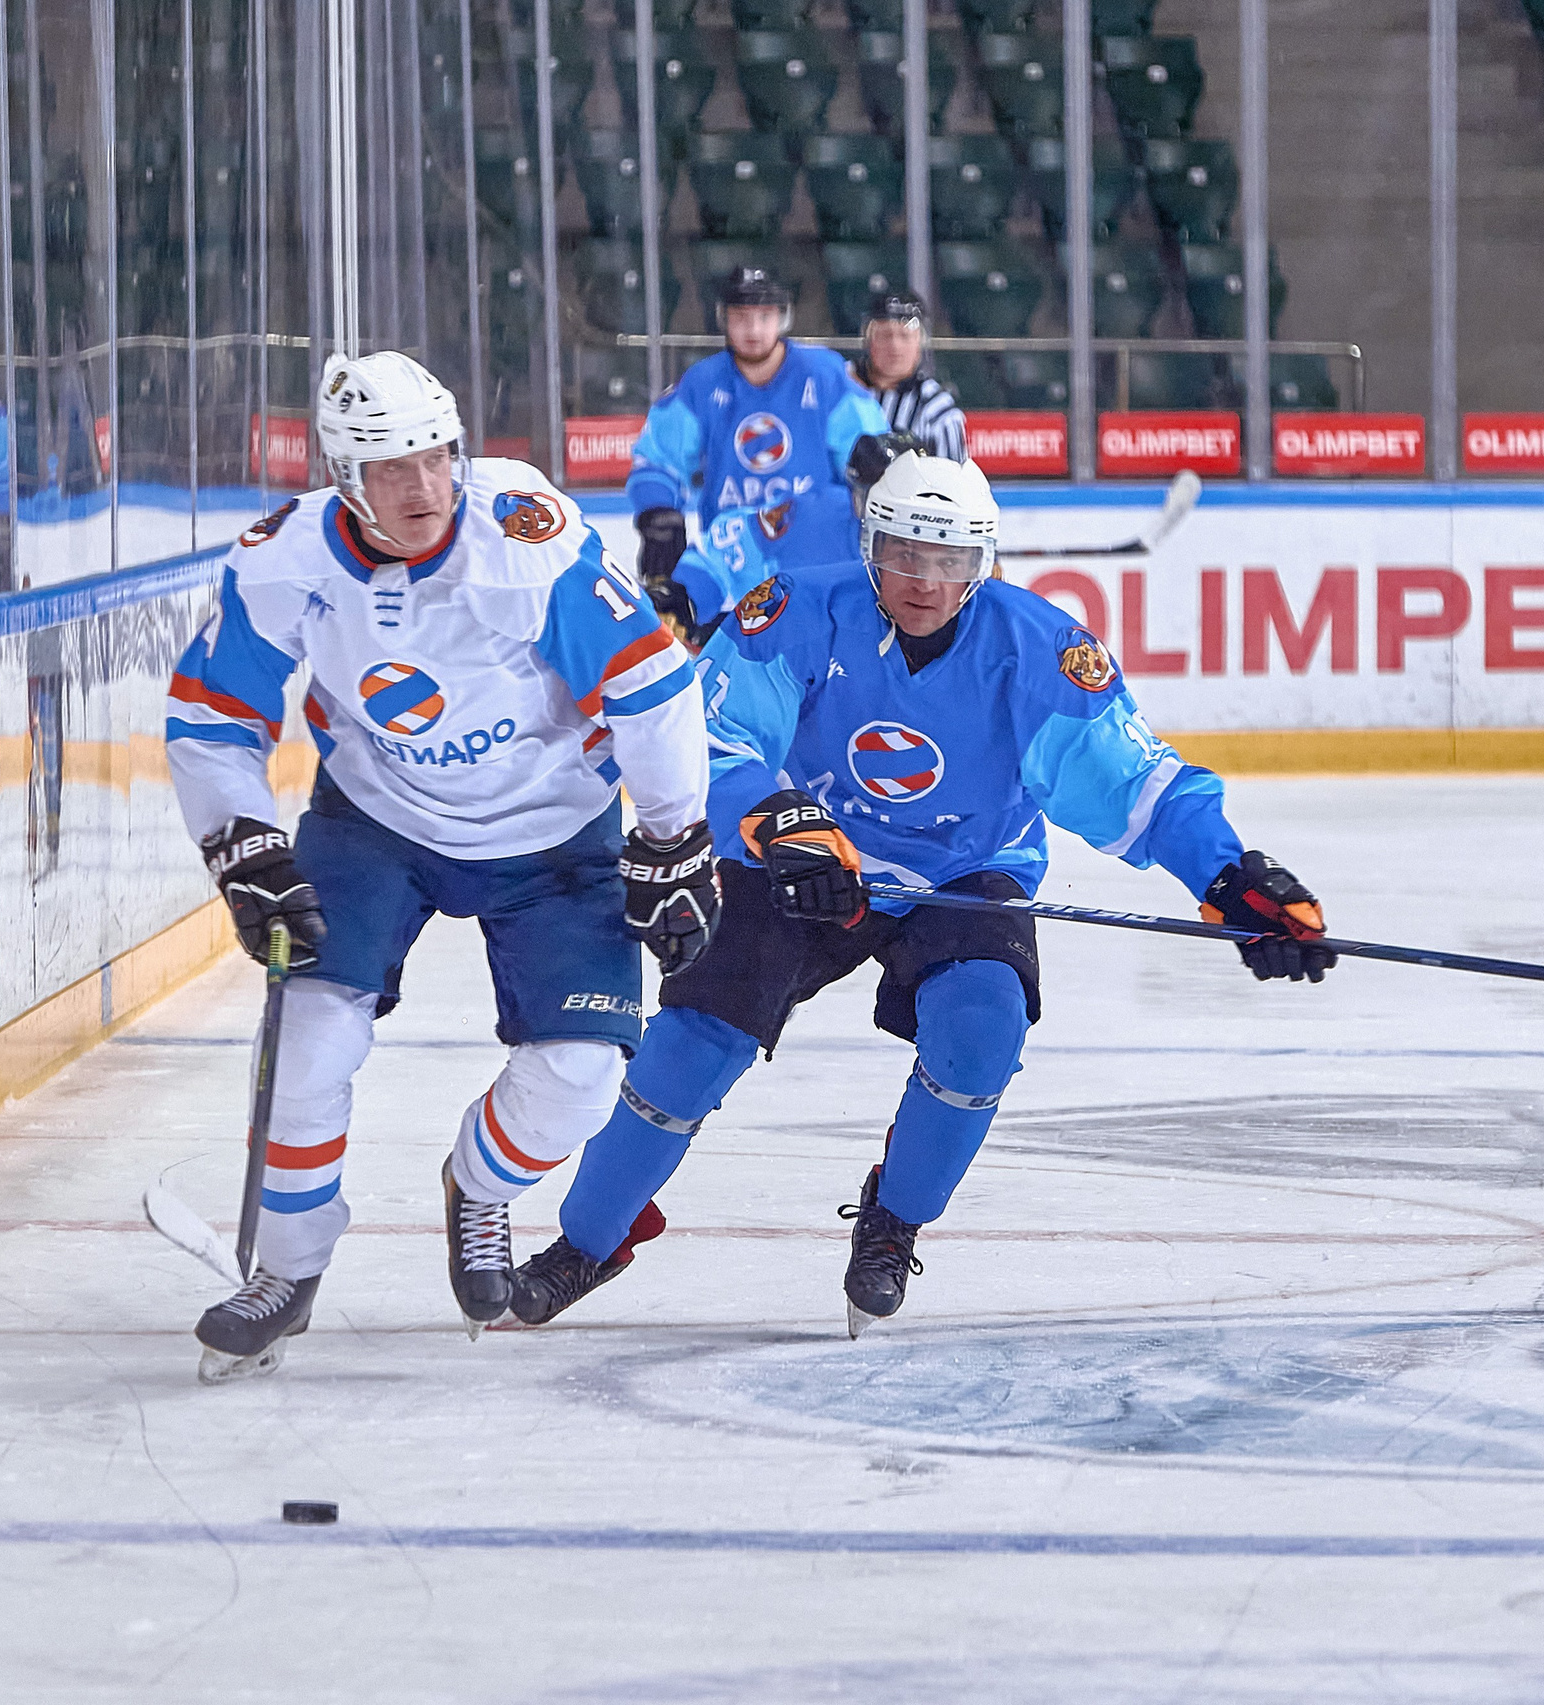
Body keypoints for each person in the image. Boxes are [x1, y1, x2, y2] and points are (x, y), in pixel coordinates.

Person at [509, 452, 1336, 1336]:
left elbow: (1144, 789)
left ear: (984, 563)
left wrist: (1231, 879)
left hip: (967, 874)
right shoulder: (794, 610)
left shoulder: (1041, 652)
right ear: (870, 546)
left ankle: (892, 1219)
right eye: (905, 552)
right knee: (695, 1038)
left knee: (983, 1027)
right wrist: (775, 819)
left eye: (950, 561)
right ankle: (589, 1239)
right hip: (811, 857)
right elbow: (711, 737)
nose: (926, 581)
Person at [162, 350, 721, 1382]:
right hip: (376, 821)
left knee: (581, 1081)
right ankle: (287, 1271)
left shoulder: (527, 542)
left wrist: (673, 835)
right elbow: (211, 716)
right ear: (341, 476)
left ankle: (479, 1185)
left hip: (556, 832)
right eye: (391, 468)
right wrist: (239, 840)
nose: (422, 486)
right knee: (311, 1042)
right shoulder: (283, 562)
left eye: (436, 456)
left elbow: (649, 683)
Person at [626, 265, 898, 609]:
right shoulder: (701, 383)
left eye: (764, 316)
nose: (753, 329)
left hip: (817, 565)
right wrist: (658, 514)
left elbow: (874, 462)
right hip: (730, 569)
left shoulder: (825, 376)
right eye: (741, 316)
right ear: (723, 318)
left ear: (782, 318)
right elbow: (657, 460)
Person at [854, 289, 966, 462]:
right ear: (869, 340)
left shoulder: (937, 410)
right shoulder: (839, 386)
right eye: (885, 335)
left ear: (919, 343)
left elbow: (952, 484)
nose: (895, 346)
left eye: (905, 336)